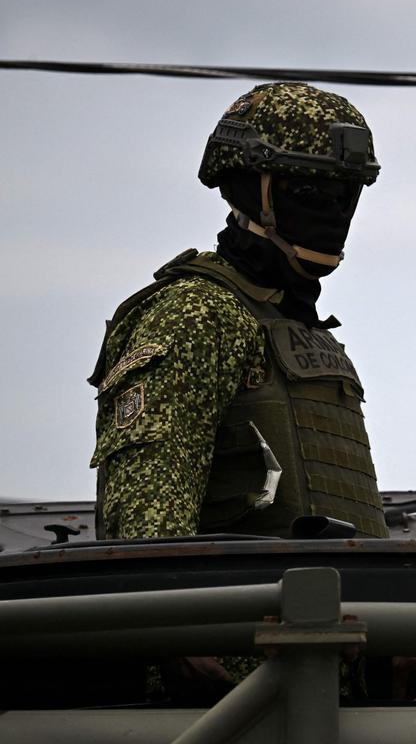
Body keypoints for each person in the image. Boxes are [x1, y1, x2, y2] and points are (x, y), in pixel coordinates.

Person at [89, 82, 389, 541]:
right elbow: (150, 528)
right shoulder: (198, 312)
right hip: (248, 606)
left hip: (345, 600)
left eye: (345, 196)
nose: (333, 214)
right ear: (252, 190)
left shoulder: (297, 325)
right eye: (311, 191)